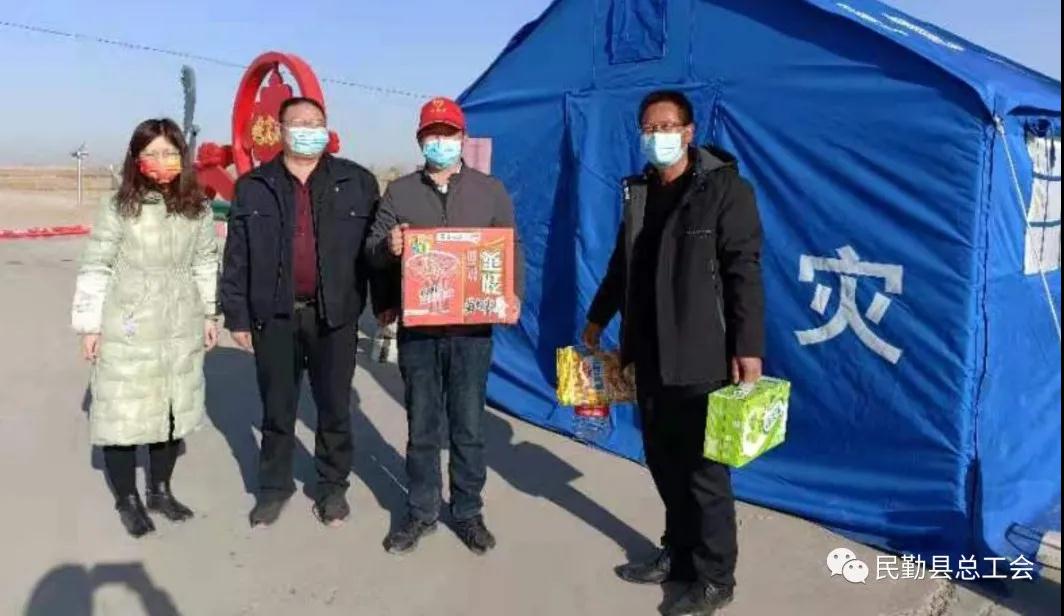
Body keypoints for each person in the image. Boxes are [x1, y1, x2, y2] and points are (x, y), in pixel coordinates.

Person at [582, 91, 765, 616]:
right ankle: (679, 554)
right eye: (648, 127)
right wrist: (598, 316)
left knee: (704, 472)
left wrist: (748, 346)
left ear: (688, 132)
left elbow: (743, 269)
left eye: (666, 126)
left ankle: (716, 577)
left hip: (701, 353)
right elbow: (623, 263)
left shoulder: (725, 189)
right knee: (663, 462)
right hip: (648, 351)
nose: (656, 135)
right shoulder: (640, 192)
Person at [366, 96, 524, 556]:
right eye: (432, 134)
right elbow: (371, 249)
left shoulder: (489, 190)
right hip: (420, 329)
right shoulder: (399, 192)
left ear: (462, 137)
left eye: (448, 133)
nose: (440, 141)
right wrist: (389, 246)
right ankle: (422, 511)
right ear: (420, 140)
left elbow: (510, 247)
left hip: (471, 332)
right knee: (423, 426)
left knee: (469, 426)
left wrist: (513, 293)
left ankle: (468, 510)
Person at [220, 97, 381, 528]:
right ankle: (273, 488)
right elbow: (236, 257)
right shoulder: (254, 186)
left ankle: (332, 488)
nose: (310, 130)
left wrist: (386, 306)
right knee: (277, 408)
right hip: (274, 315)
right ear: (281, 130)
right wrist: (236, 316)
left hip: (335, 315)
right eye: (300, 123)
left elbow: (375, 252)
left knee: (334, 408)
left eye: (317, 122)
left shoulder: (356, 182)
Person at [71, 118, 220, 538]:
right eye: (151, 153)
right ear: (136, 159)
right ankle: (128, 499)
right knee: (123, 416)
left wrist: (209, 315)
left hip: (180, 323)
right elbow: (97, 265)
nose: (161, 160)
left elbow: (205, 262)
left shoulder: (196, 207)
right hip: (129, 324)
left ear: (182, 157)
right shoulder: (119, 207)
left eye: (169, 152)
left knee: (171, 412)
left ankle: (160, 490)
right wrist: (90, 325)